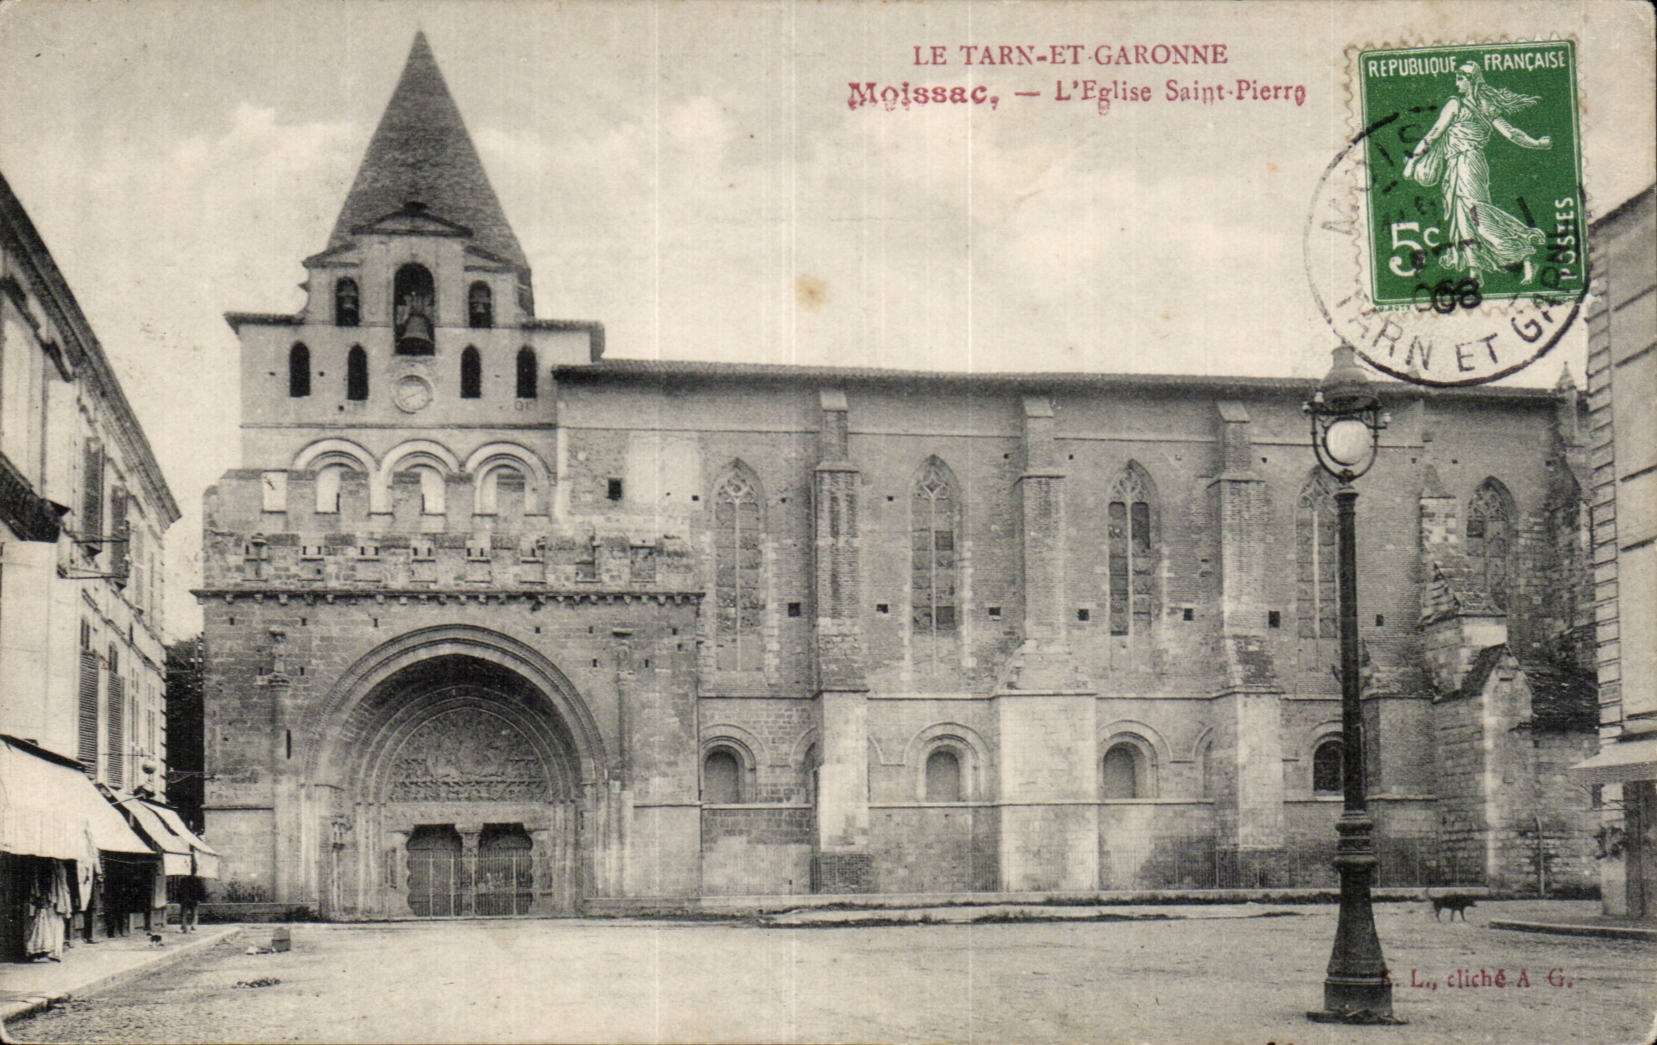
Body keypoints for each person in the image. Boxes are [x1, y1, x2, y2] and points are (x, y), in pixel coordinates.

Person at [1404, 63, 1553, 285]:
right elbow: (1434, 134)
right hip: (1456, 165)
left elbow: (1510, 133)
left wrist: (1537, 144)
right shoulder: (1471, 104)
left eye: (1460, 79)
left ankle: (1525, 255)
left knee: (1477, 214)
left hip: (1469, 163)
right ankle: (1475, 271)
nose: (1456, 84)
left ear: (1471, 80)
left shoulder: (1474, 105)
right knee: (1462, 217)